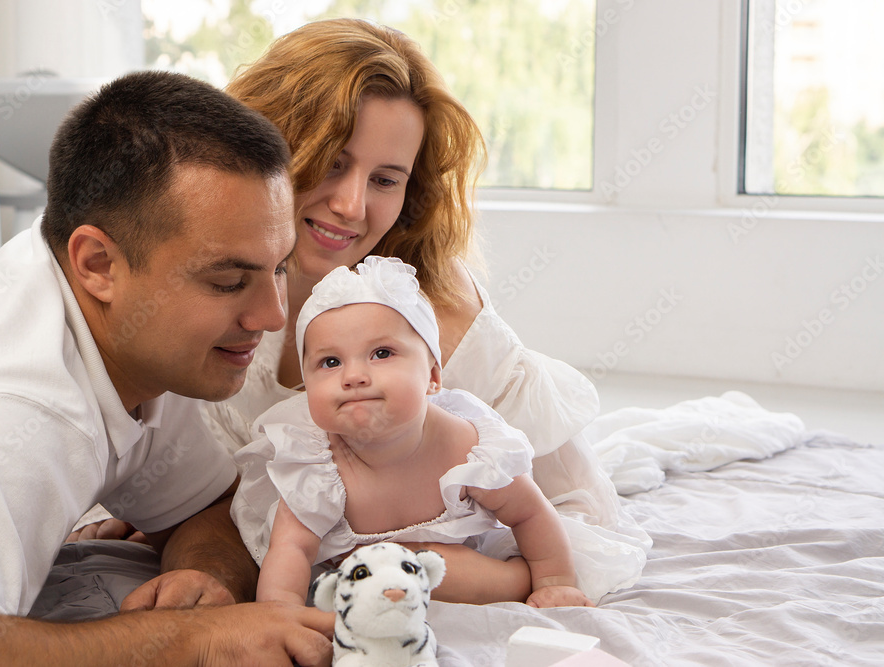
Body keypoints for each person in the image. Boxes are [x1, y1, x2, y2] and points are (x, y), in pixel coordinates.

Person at [82, 18, 649, 602]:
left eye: (385, 179)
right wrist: (168, 507)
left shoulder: (433, 317)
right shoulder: (206, 276)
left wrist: (473, 570)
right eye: (331, 162)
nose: (352, 205)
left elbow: (572, 514)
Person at [0, 71, 332, 666]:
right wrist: (190, 641)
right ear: (97, 263)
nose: (273, 317)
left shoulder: (132, 340)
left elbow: (206, 505)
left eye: (278, 269)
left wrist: (204, 575)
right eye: (228, 282)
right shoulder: (9, 409)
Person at [240, 257, 594, 609]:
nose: (354, 376)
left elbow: (530, 513)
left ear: (433, 377)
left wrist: (554, 582)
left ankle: (518, 581)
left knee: (452, 574)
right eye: (330, 362)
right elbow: (291, 548)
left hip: (447, 564)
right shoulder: (314, 463)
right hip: (359, 579)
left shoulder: (468, 447)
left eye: (381, 353)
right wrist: (279, 613)